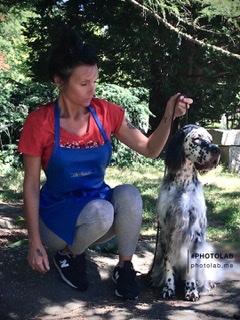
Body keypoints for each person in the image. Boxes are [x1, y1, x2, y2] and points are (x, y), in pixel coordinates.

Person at [18, 28, 193, 300]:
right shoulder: (39, 122)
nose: (92, 89)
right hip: (55, 218)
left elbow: (150, 149)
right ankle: (67, 255)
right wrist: (34, 242)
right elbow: (30, 186)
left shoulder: (106, 112)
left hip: (98, 211)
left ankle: (124, 267)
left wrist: (169, 115)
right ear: (59, 81)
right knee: (101, 211)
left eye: (95, 81)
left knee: (129, 195)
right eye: (83, 83)